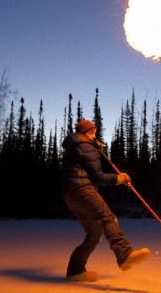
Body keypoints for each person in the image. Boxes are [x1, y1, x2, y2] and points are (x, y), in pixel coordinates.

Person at [61, 119, 150, 282]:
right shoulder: (85, 145)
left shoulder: (75, 146)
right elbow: (98, 177)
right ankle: (124, 254)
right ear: (88, 132)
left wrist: (95, 147)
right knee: (107, 217)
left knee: (94, 233)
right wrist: (119, 178)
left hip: (70, 194)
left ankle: (75, 270)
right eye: (93, 130)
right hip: (82, 188)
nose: (96, 133)